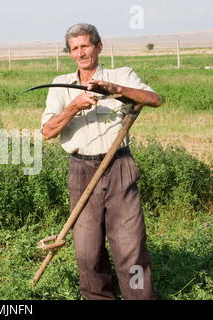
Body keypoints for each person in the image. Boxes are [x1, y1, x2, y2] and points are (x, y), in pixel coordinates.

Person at [41, 23, 161, 300]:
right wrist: (73, 108)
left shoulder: (122, 75)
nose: (81, 53)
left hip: (119, 167)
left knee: (130, 245)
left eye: (85, 46)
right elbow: (47, 132)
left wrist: (114, 88)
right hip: (81, 169)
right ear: (70, 53)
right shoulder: (61, 87)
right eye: (75, 48)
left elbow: (153, 99)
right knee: (87, 251)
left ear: (98, 47)